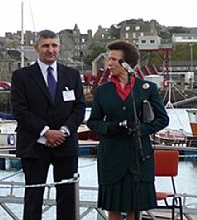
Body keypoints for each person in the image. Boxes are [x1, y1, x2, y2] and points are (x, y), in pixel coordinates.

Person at [87, 40, 169, 220]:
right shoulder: (103, 91)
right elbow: (93, 122)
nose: (109, 64)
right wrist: (110, 128)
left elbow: (163, 119)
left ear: (127, 64)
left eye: (114, 60)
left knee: (135, 207)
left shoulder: (147, 89)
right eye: (109, 59)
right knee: (113, 207)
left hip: (138, 156)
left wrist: (141, 128)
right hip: (111, 155)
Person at [11, 30, 85, 220]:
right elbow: (20, 110)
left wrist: (63, 131)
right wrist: (45, 132)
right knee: (34, 199)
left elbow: (79, 108)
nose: (50, 50)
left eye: (54, 45)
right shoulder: (21, 76)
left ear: (59, 48)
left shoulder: (72, 75)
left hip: (65, 145)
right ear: (37, 48)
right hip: (34, 145)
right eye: (45, 45)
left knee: (67, 199)